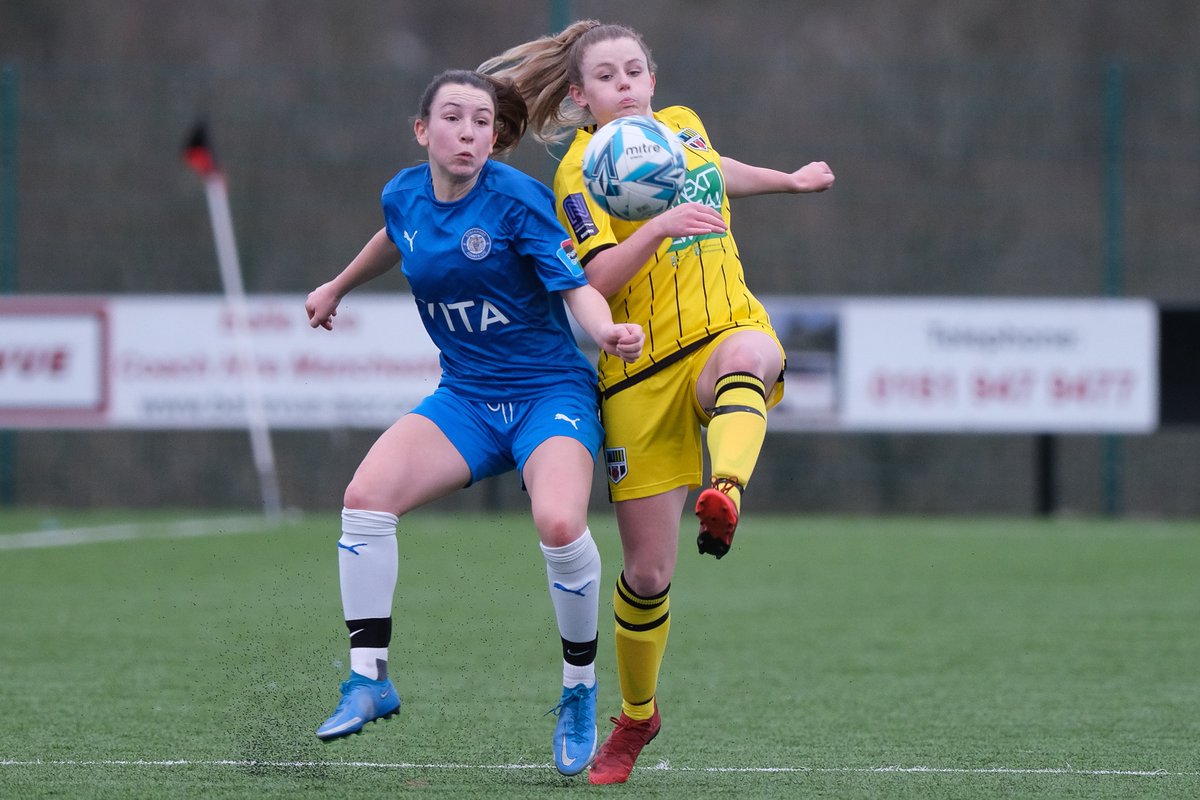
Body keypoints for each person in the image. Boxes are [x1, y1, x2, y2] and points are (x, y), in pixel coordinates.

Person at [479, 21, 835, 784]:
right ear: (581, 97)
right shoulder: (577, 173)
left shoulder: (683, 128)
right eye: (607, 77)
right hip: (638, 375)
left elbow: (714, 170)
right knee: (647, 574)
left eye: (635, 70)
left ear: (651, 77)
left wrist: (788, 181)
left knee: (753, 356)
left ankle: (726, 492)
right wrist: (662, 226)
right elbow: (596, 281)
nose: (627, 85)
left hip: (719, 329)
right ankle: (637, 718)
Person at [304, 68, 644, 778]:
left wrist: (605, 332)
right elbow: (397, 235)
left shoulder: (518, 200)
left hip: (549, 392)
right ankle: (370, 680)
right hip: (465, 398)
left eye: (483, 122)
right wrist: (337, 285)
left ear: (496, 135)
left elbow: (576, 283)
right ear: (423, 131)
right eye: (454, 119)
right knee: (365, 500)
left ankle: (579, 692)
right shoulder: (404, 194)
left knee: (558, 524)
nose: (469, 132)